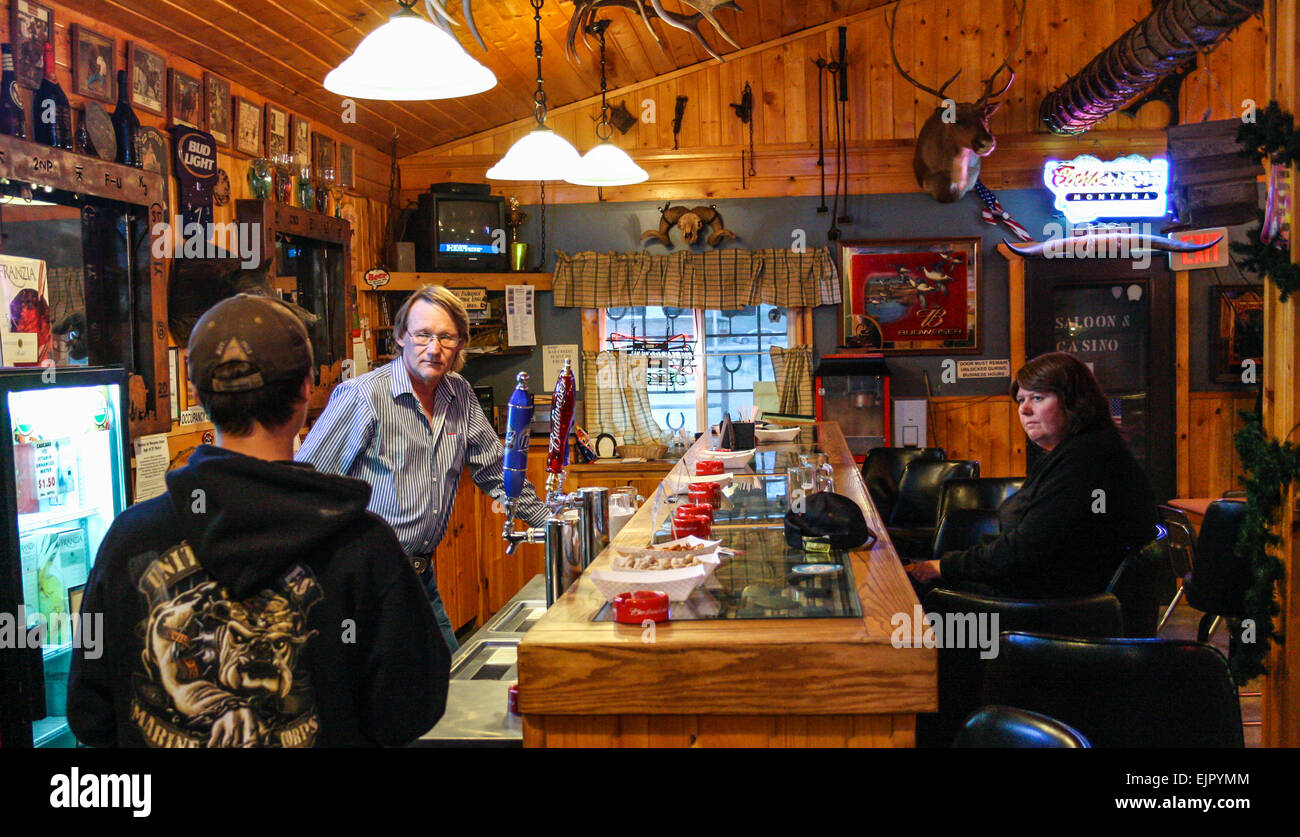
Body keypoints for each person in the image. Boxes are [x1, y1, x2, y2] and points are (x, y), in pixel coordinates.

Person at [67, 294, 449, 747]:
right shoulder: (363, 545)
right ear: (307, 388)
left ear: (195, 392)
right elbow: (410, 710)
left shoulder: (130, 540)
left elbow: (90, 715)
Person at [297, 285, 549, 652]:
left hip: (419, 574)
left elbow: (496, 470)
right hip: (362, 583)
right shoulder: (363, 396)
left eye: (446, 337)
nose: (434, 349)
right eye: (423, 335)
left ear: (461, 342)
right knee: (386, 699)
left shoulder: (459, 394)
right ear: (401, 336)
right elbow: (306, 486)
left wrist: (552, 523)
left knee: (451, 686)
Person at [906, 351, 1157, 598]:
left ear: (1075, 402)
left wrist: (943, 566)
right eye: (1020, 399)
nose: (1024, 410)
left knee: (906, 592)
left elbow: (1024, 550)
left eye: (1037, 398)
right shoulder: (1078, 451)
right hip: (1044, 594)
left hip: (1051, 612)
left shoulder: (1087, 458)